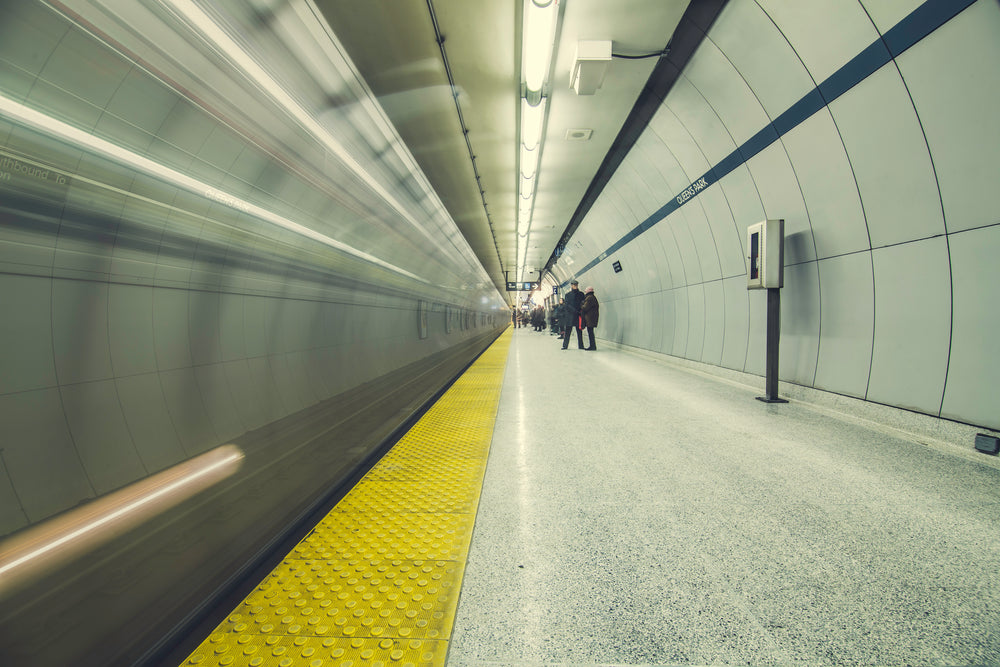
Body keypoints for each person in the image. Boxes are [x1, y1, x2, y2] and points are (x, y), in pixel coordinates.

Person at [561, 280, 585, 350]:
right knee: (568, 332)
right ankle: (565, 346)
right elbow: (567, 305)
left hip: (577, 315)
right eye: (574, 285)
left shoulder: (581, 294)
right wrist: (575, 311)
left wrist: (579, 311)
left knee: (579, 332)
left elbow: (583, 303)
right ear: (571, 285)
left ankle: (581, 345)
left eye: (576, 285)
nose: (575, 286)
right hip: (571, 316)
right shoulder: (567, 295)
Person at [581, 286, 600, 351]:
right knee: (591, 332)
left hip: (590, 318)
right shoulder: (592, 297)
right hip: (592, 318)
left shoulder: (589, 298)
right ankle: (592, 346)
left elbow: (585, 307)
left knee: (590, 333)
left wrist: (581, 305)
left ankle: (592, 346)